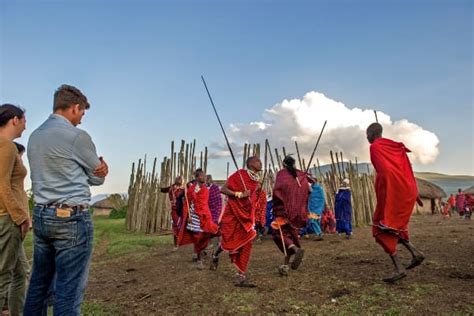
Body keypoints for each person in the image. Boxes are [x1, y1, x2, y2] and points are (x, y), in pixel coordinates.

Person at [24, 85, 109, 315]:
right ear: (75, 107)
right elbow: (97, 177)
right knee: (68, 291)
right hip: (71, 219)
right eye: (82, 113)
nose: (81, 119)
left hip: (42, 214)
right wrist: (101, 170)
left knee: (38, 286)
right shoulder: (77, 137)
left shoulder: (35, 136)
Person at [367, 122, 424, 283]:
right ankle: (415, 253)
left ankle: (399, 268)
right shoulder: (393, 146)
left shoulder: (375, 147)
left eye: (367, 135)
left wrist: (388, 196)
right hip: (406, 189)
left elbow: (384, 171)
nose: (366, 138)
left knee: (380, 229)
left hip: (393, 192)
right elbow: (407, 169)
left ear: (372, 134)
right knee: (395, 228)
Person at [210, 156, 263, 287]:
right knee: (229, 243)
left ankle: (241, 275)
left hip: (246, 217)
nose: (260, 163)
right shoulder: (240, 175)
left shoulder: (256, 181)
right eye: (258, 161)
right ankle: (216, 253)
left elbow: (253, 199)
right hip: (233, 215)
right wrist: (239, 194)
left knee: (247, 241)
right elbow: (223, 189)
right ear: (250, 163)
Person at [0, 104, 30, 316]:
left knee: (20, 273)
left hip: (9, 218)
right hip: (8, 218)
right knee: (3, 277)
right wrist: (20, 218)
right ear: (14, 120)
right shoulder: (7, 146)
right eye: (24, 121)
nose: (25, 126)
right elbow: (1, 184)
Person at [271, 156, 309, 276]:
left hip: (284, 211)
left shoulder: (282, 174)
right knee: (291, 235)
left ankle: (296, 249)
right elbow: (309, 190)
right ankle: (285, 266)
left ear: (283, 164)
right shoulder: (301, 176)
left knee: (278, 233)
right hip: (297, 212)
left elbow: (277, 190)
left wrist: (277, 204)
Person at [178, 169, 218, 270]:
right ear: (197, 178)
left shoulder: (205, 189)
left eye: (204, 175)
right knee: (197, 238)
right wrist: (188, 216)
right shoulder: (191, 189)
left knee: (208, 234)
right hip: (194, 217)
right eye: (201, 176)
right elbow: (187, 203)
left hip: (204, 215)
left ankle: (200, 251)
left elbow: (203, 203)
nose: (204, 177)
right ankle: (199, 259)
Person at [161, 176, 185, 251]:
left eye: (182, 180)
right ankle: (175, 245)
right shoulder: (172, 189)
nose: (182, 181)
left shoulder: (183, 189)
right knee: (176, 226)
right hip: (175, 210)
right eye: (180, 180)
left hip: (182, 210)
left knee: (183, 226)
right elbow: (165, 190)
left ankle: (182, 242)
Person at [302, 176, 325, 240]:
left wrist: (320, 206)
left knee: (313, 220)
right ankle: (319, 233)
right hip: (312, 207)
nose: (311, 181)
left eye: (312, 180)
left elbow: (321, 198)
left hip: (317, 207)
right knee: (314, 220)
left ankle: (319, 233)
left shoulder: (318, 188)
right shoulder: (311, 187)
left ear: (315, 180)